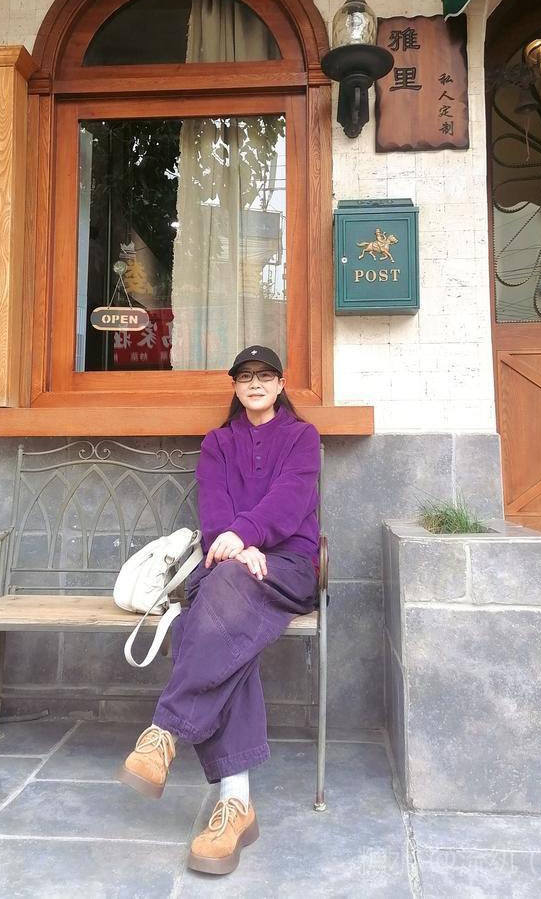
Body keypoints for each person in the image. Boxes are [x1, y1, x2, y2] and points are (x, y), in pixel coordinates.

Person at [118, 344, 320, 875]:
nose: (255, 383)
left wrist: (246, 538)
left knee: (203, 619)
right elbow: (214, 510)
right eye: (245, 376)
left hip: (288, 567)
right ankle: (235, 805)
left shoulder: (302, 437)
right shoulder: (218, 443)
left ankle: (164, 732)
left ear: (280, 383)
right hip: (229, 564)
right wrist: (235, 546)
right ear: (234, 386)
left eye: (265, 375)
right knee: (231, 634)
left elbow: (291, 499)